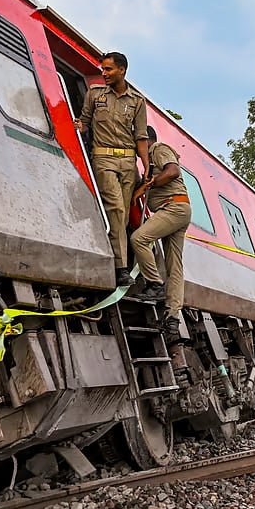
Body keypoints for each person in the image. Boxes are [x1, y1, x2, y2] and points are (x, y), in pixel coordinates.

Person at [76, 52, 151, 286]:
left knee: (124, 215)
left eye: (108, 69)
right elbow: (84, 123)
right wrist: (78, 126)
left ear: (122, 70)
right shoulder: (95, 94)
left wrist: (146, 165)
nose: (104, 73)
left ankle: (123, 264)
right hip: (103, 159)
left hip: (128, 162)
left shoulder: (138, 101)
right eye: (103, 69)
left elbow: (140, 136)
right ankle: (120, 268)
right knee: (116, 209)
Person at [130, 126, 194, 333]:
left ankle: (155, 284)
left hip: (173, 207)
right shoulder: (150, 159)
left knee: (139, 238)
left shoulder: (158, 149)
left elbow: (173, 171)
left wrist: (148, 185)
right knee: (174, 266)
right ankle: (172, 317)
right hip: (177, 209)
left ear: (145, 140)